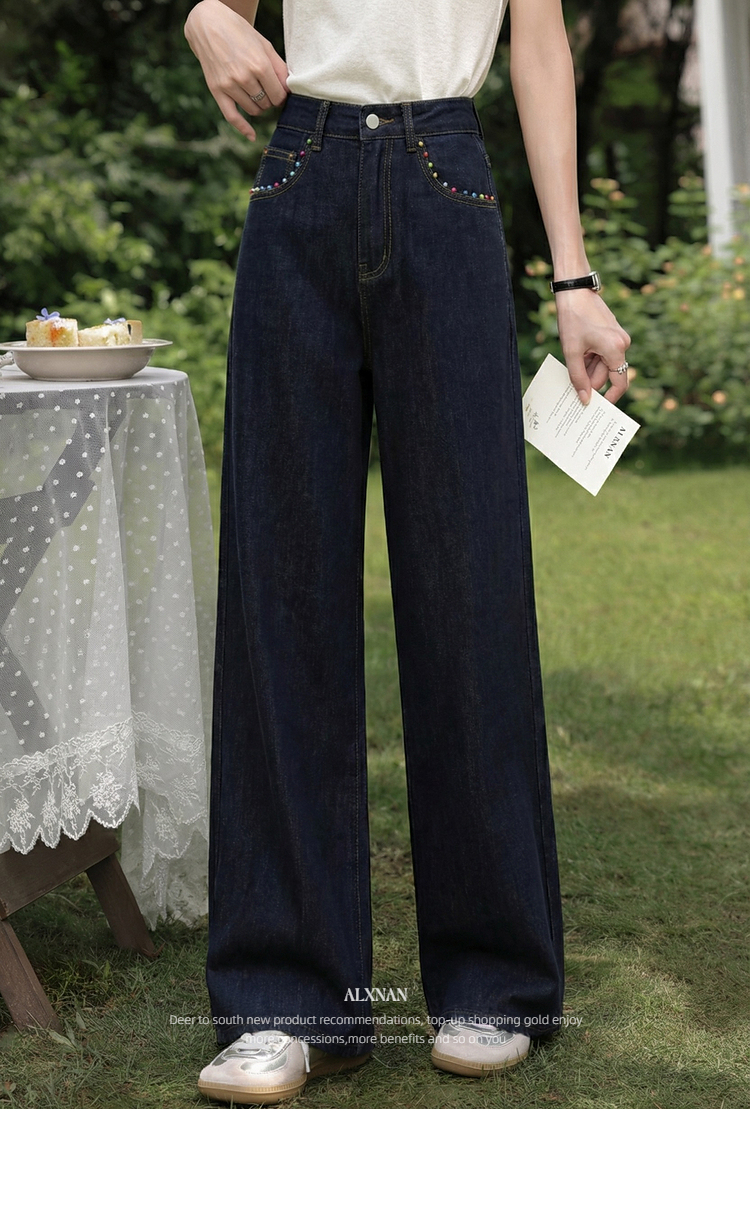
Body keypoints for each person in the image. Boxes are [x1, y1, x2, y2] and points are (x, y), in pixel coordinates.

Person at [185, 0, 631, 1106]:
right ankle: (287, 1004)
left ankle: (493, 979)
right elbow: (226, 9)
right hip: (302, 172)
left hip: (446, 176)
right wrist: (201, 16)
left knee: (471, 592)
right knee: (281, 590)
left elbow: (538, 44)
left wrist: (573, 277)